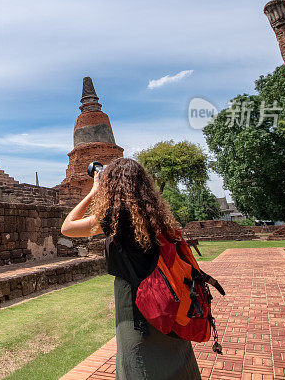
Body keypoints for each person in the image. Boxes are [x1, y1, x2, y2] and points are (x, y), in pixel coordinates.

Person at [60, 157, 201, 380]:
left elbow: (67, 227)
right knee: (173, 352)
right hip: (169, 294)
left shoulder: (117, 217)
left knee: (137, 360)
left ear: (112, 185)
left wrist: (94, 191)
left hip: (136, 300)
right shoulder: (157, 214)